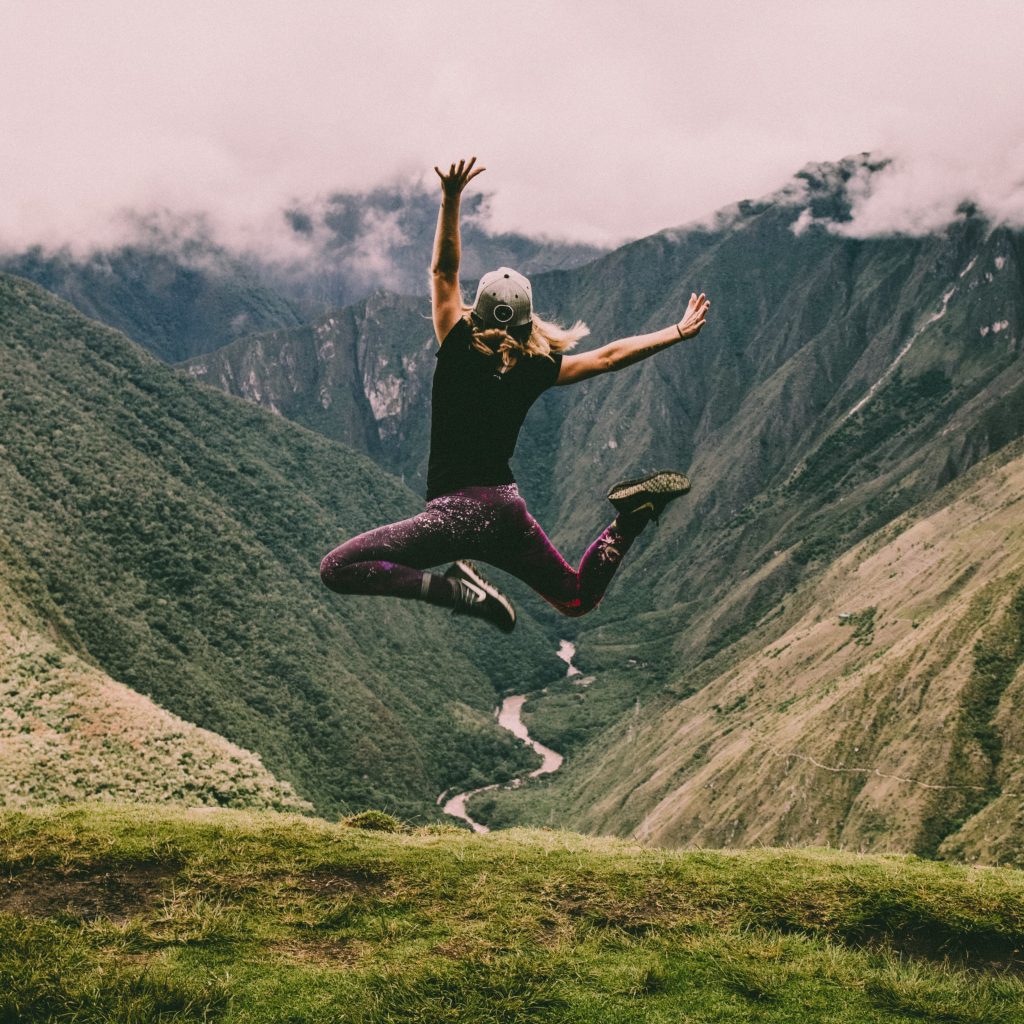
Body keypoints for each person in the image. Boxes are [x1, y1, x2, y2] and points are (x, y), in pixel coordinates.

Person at [320, 157, 711, 632]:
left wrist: (450, 198)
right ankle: (629, 520)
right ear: (529, 320)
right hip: (507, 511)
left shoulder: (459, 345)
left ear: (476, 312)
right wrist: (675, 331)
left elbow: (444, 272)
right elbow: (608, 357)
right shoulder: (537, 366)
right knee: (576, 598)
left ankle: (455, 591)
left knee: (337, 569)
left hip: (455, 516)